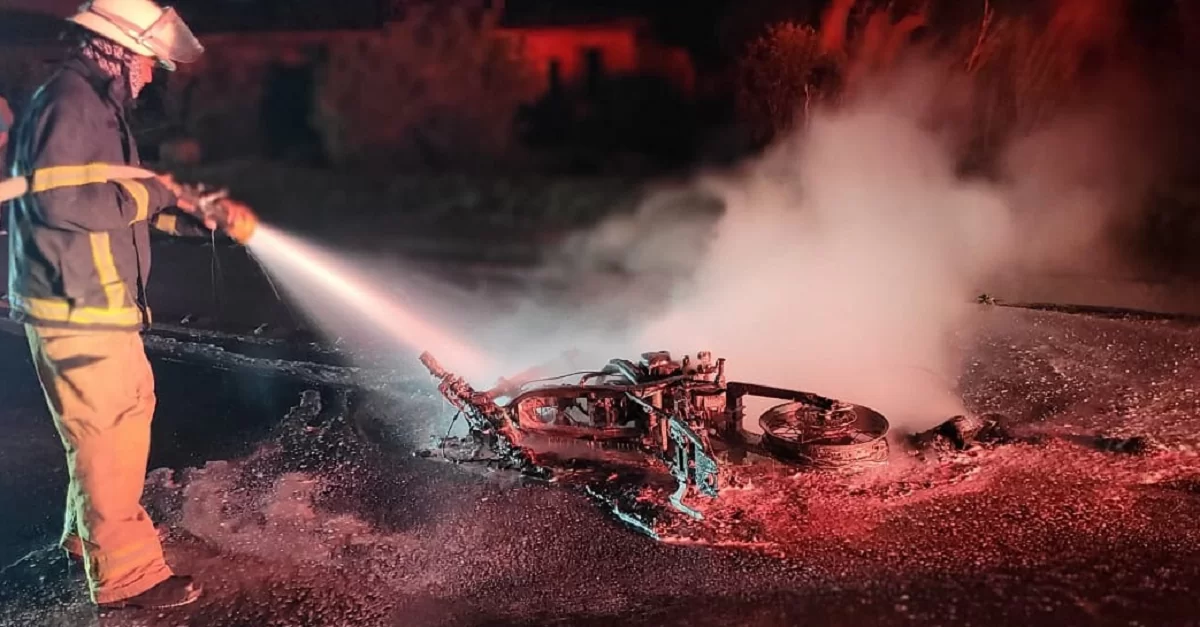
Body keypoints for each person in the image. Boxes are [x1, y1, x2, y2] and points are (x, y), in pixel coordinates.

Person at [5, 0, 242, 610]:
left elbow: (106, 203)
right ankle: (127, 575)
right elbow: (60, 204)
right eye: (146, 60)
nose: (150, 73)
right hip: (75, 302)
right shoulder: (71, 103)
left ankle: (87, 535)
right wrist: (159, 193)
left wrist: (182, 220)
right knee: (106, 433)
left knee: (121, 419)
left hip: (94, 299)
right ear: (116, 48)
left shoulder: (93, 106)